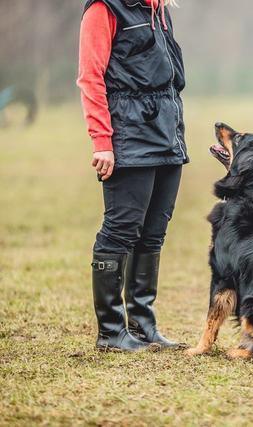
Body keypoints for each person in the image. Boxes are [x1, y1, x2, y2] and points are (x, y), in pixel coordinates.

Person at [77, 0, 187, 351]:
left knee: (153, 234)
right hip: (128, 138)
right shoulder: (103, 10)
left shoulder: (160, 10)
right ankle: (111, 332)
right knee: (122, 229)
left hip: (168, 136)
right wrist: (102, 141)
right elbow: (90, 78)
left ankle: (142, 326)